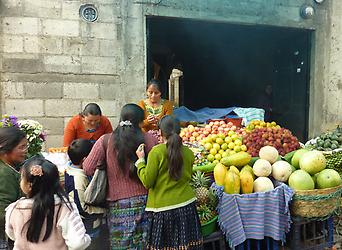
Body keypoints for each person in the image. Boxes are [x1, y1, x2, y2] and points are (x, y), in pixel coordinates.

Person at [83, 103, 158, 249]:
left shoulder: (105, 141)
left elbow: (87, 168)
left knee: (120, 245)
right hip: (146, 201)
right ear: (140, 122)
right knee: (145, 244)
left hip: (117, 204)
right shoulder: (149, 139)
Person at [135, 115, 203, 249]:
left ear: (160, 132)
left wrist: (141, 162)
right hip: (187, 206)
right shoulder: (188, 152)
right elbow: (187, 176)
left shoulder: (156, 152)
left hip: (162, 210)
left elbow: (147, 181)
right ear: (180, 132)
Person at [5, 157, 91, 250]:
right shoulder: (64, 207)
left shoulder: (14, 209)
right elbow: (78, 243)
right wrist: (87, 239)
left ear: (29, 185)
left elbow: (12, 235)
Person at [65, 139, 108, 250]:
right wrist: (103, 211)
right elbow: (81, 208)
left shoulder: (70, 169)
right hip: (88, 227)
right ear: (85, 159)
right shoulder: (78, 180)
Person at [0, 127, 27, 249]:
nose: (25, 150)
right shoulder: (5, 174)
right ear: (6, 150)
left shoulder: (8, 167)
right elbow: (3, 211)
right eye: (21, 147)